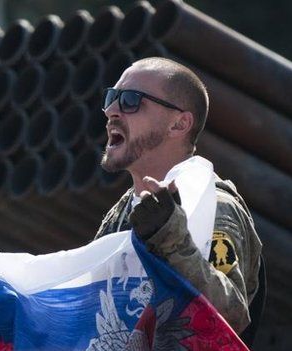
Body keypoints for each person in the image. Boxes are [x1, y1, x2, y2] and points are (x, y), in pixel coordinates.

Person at [94, 57, 263, 338]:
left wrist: (171, 239)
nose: (111, 110)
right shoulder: (121, 212)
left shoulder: (212, 204)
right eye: (112, 97)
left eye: (131, 100)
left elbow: (230, 317)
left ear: (179, 124)